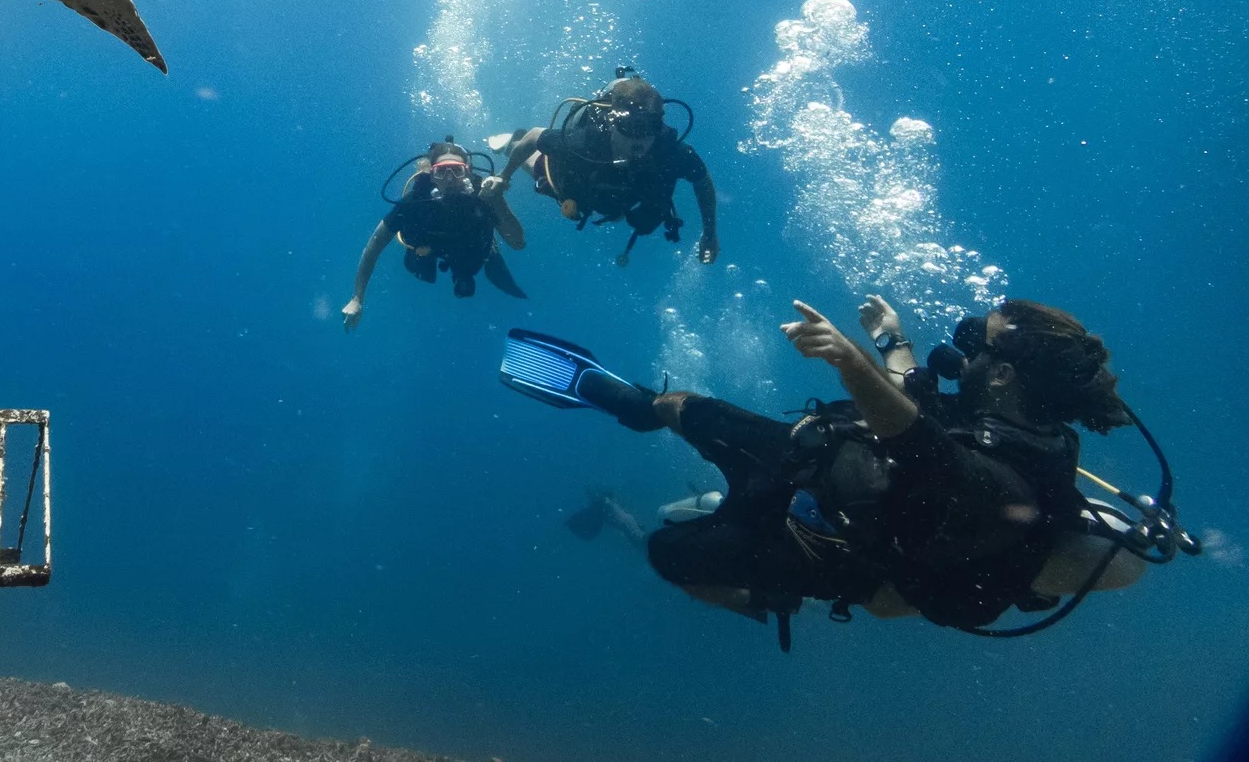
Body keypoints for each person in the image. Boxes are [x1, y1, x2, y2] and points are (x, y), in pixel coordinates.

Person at [499, 297, 1143, 640]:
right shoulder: (1013, 422)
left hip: (830, 540)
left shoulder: (1019, 475)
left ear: (1002, 375)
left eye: (979, 343)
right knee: (683, 406)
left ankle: (763, 597)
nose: (963, 349)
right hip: (815, 462)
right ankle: (626, 401)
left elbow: (924, 445)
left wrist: (849, 362)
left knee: (670, 551)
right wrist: (892, 340)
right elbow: (916, 398)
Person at [489, 73, 717, 266]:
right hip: (581, 182)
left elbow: (702, 181)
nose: (639, 139)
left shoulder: (670, 151)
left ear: (659, 125)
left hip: (628, 192)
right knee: (545, 173)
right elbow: (536, 135)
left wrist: (709, 234)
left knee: (643, 218)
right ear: (611, 122)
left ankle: (617, 208)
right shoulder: (586, 140)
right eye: (630, 127)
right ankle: (511, 143)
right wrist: (504, 176)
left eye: (650, 127)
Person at [343, 141, 526, 332]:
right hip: (428, 249)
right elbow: (375, 245)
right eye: (441, 171)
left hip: (470, 248)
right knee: (420, 268)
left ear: (468, 173)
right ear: (431, 174)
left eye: (457, 171)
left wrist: (497, 200)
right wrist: (357, 298)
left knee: (468, 272)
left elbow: (518, 242)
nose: (449, 179)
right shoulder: (415, 201)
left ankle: (475, 265)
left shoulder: (484, 196)